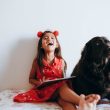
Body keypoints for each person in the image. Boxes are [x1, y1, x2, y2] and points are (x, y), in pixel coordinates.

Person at [13, 30, 100, 110]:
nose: (49, 39)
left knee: (66, 102)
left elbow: (62, 79)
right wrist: (39, 83)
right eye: (45, 38)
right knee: (61, 87)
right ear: (41, 46)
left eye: (52, 38)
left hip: (59, 93)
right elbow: (30, 79)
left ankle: (83, 105)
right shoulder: (37, 62)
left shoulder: (61, 61)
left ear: (57, 45)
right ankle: (84, 101)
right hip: (45, 91)